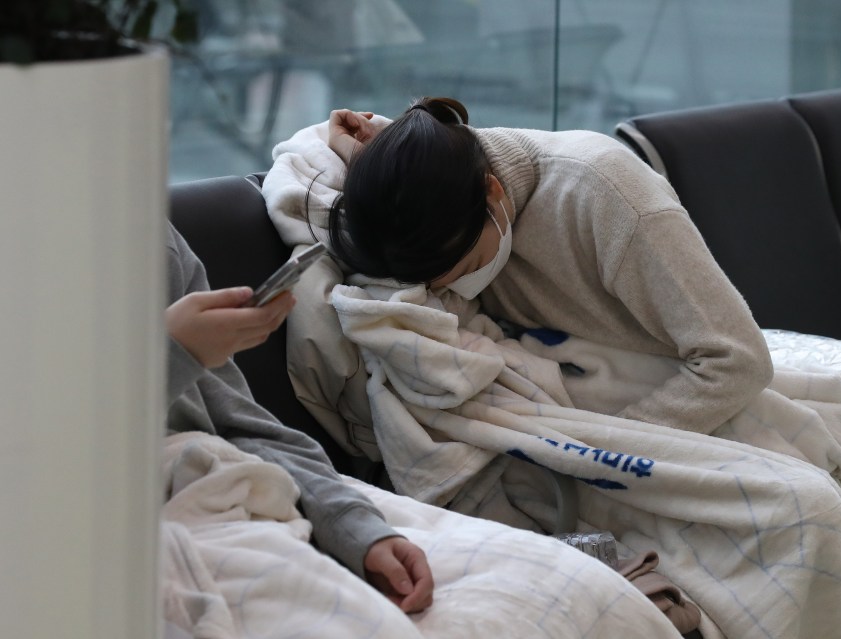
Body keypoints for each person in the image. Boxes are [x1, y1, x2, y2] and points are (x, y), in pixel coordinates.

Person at [322, 97, 773, 435]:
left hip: (676, 405)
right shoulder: (421, 208)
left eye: (468, 268)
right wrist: (371, 155)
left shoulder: (608, 196)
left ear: (493, 192)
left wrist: (610, 455)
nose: (457, 288)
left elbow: (738, 360)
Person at [164, 220, 434, 613]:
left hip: (221, 491)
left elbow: (246, 428)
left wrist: (359, 530)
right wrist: (173, 353)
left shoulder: (156, 245)